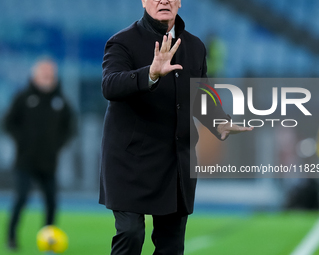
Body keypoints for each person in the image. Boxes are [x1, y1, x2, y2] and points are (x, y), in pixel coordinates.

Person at [99, 0, 253, 254]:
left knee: (171, 245)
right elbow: (110, 86)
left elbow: (201, 96)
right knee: (131, 233)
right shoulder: (122, 42)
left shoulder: (194, 46)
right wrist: (150, 73)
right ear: (144, 1)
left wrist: (220, 123)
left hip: (175, 162)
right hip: (130, 162)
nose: (164, 0)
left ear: (180, 2)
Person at [4, 59, 74, 250]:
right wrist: (22, 141)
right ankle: (11, 237)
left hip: (49, 162)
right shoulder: (23, 97)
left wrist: (57, 145)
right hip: (25, 161)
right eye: (44, 72)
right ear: (35, 74)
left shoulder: (60, 101)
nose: (47, 76)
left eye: (50, 73)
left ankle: (49, 238)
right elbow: (9, 122)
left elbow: (70, 127)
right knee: (21, 199)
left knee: (51, 202)